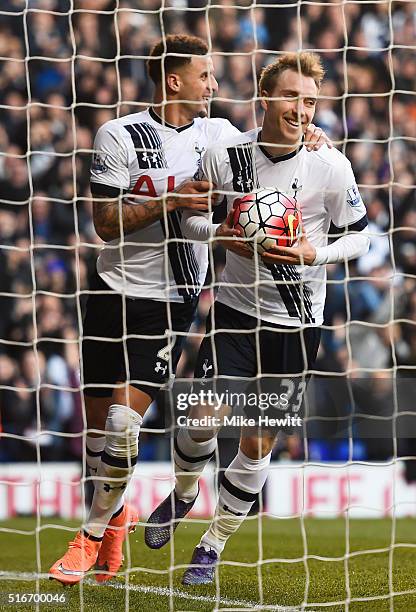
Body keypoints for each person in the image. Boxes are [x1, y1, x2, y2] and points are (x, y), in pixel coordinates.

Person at [49, 34, 330, 584]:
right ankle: (114, 521)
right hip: (110, 288)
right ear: (174, 80)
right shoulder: (120, 135)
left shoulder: (219, 135)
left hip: (173, 299)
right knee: (97, 434)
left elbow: (269, 143)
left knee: (124, 424)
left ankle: (87, 534)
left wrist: (311, 133)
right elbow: (104, 224)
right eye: (206, 75)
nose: (214, 84)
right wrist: (172, 200)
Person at [145, 51, 370, 585]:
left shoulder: (331, 165)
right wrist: (222, 236)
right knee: (201, 422)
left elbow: (364, 235)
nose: (302, 109)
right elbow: (191, 220)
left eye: (311, 100)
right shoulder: (229, 156)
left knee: (256, 444)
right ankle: (182, 493)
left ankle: (213, 543)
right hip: (234, 314)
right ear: (266, 98)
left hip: (295, 328)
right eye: (292, 96)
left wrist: (319, 255)